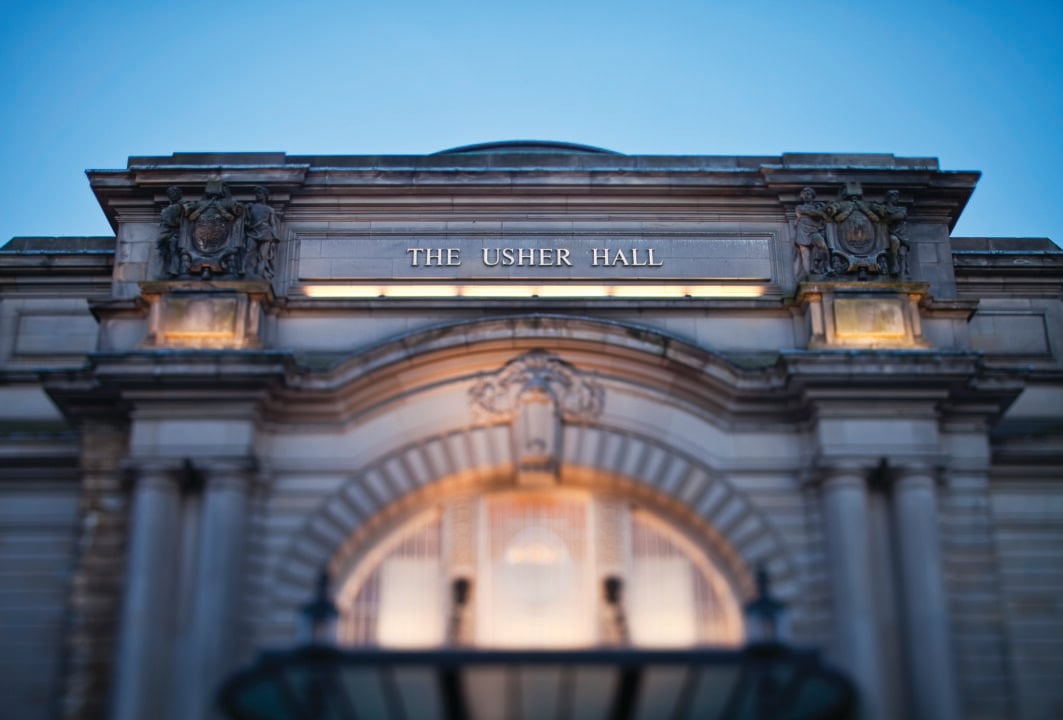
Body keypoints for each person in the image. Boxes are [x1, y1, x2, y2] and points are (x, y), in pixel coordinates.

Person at [794, 187, 831, 276]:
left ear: (813, 196)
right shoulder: (799, 207)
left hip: (814, 230)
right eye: (804, 194)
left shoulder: (818, 206)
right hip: (803, 231)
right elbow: (811, 212)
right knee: (805, 254)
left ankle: (827, 266)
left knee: (823, 247)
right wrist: (822, 210)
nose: (806, 196)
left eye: (809, 194)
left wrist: (821, 210)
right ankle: (808, 275)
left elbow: (825, 216)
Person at [245, 186, 279, 279]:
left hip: (266, 233)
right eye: (257, 194)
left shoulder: (270, 209)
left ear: (265, 195)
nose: (257, 196)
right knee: (249, 251)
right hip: (252, 232)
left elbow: (272, 223)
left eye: (260, 194)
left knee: (263, 256)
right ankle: (248, 272)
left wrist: (275, 236)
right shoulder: (251, 206)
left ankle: (260, 275)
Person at [157, 186, 184, 276]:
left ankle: (174, 270)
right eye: (171, 194)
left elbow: (180, 221)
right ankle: (165, 270)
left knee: (173, 251)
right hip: (164, 233)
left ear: (179, 195)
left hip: (174, 233)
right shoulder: (166, 209)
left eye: (175, 193)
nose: (173, 195)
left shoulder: (181, 207)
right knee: (164, 253)